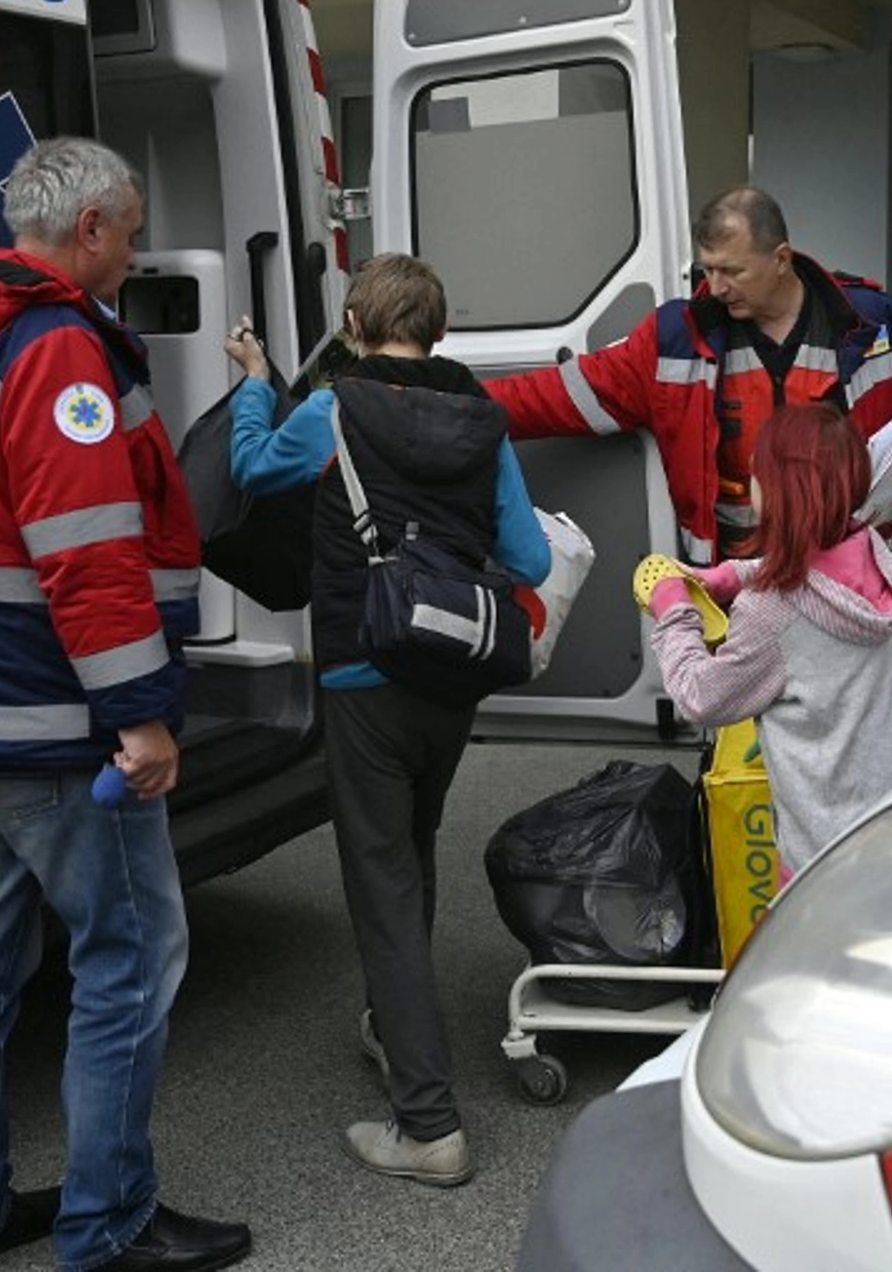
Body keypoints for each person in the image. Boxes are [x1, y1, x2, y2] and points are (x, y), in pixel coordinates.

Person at [0, 138, 251, 1272]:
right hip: (48, 714)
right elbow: (85, 549)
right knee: (130, 952)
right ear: (88, 230)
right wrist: (139, 711)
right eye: (128, 231)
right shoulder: (55, 347)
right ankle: (107, 1222)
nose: (134, 251)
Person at [224, 253, 550, 1189]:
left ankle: (428, 1123)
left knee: (381, 883)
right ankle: (390, 1024)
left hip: (365, 672)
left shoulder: (337, 410)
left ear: (357, 327)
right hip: (452, 675)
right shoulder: (485, 423)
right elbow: (526, 558)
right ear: (436, 330)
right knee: (409, 853)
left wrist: (254, 384)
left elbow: (250, 464)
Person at [490, 185, 892, 565]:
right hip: (734, 585)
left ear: (781, 259)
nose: (716, 287)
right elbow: (558, 396)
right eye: (708, 269)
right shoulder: (678, 336)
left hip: (849, 572)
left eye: (732, 271)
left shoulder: (873, 321)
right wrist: (447, 396)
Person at [640, 403, 892, 879]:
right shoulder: (871, 550)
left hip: (826, 855)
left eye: (756, 475)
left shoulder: (773, 612)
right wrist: (733, 575)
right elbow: (809, 566)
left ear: (777, 491)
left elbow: (701, 696)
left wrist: (674, 611)